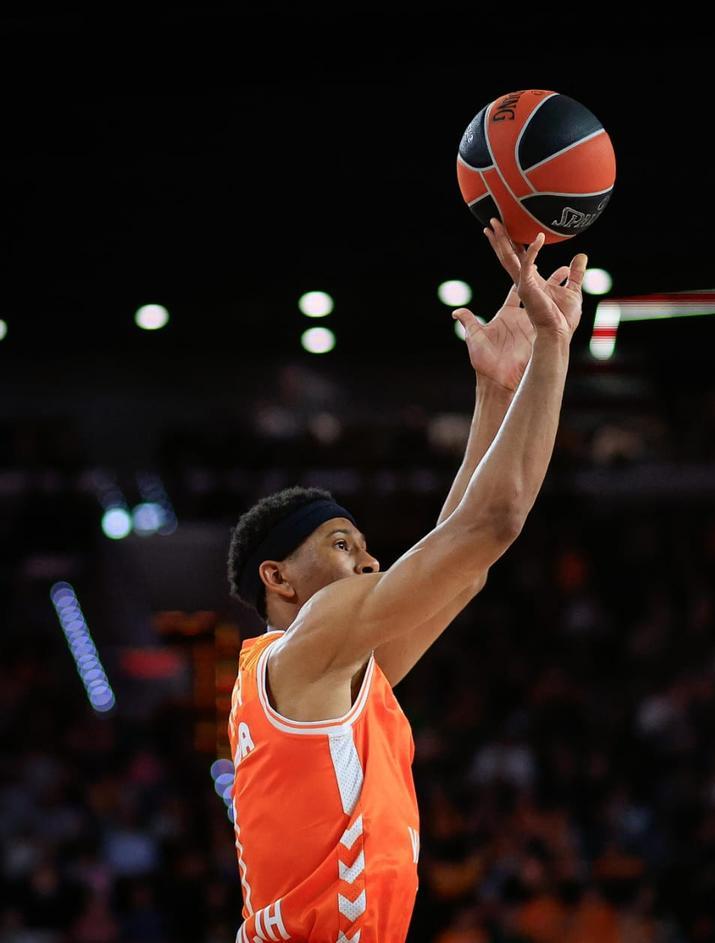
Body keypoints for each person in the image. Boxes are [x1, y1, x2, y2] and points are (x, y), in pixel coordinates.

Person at [223, 219, 586, 943]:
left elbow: (463, 564)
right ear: (278, 577)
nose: (369, 562)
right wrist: (553, 351)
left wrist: (496, 390)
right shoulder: (308, 646)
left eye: (366, 547)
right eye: (340, 544)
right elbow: (496, 519)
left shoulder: (329, 673)